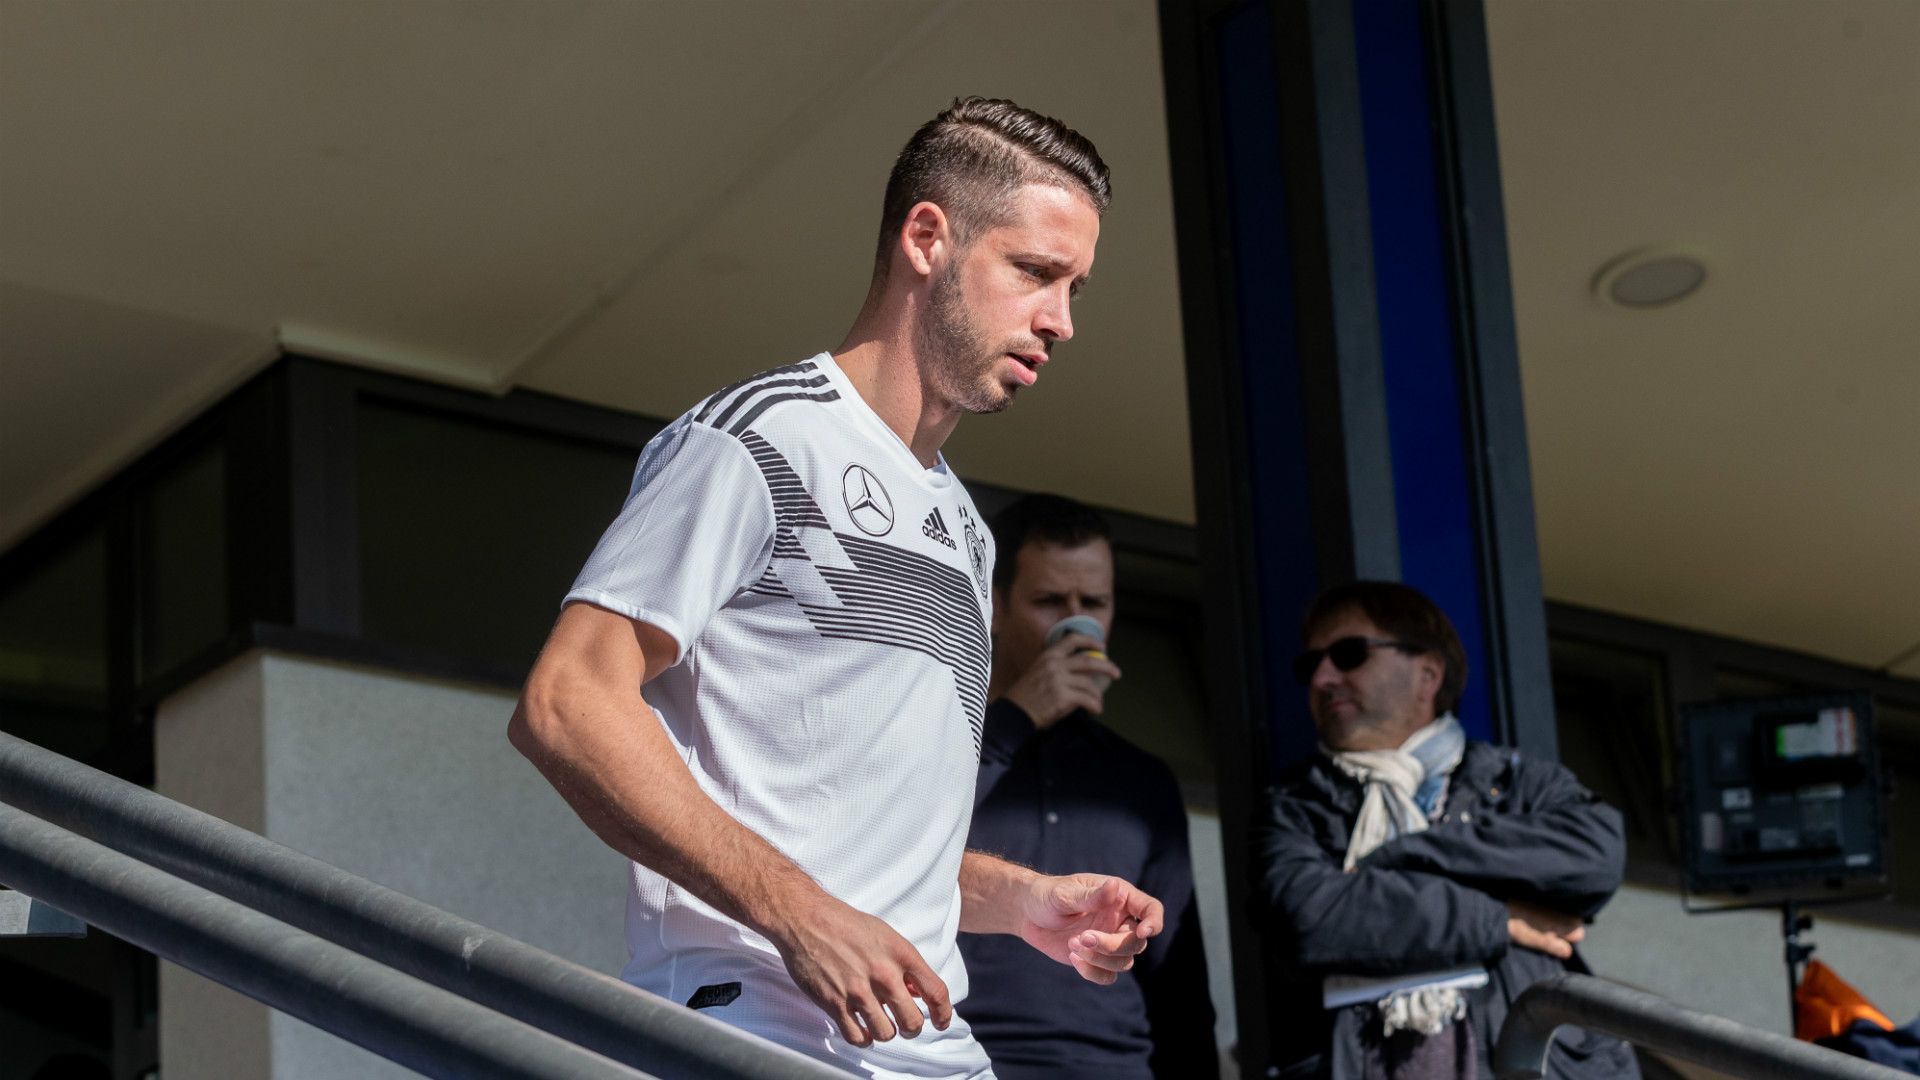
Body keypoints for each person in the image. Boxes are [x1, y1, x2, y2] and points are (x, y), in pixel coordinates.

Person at [508, 97, 1164, 1080]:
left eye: (1075, 287)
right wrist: (796, 912)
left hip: (933, 1045)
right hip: (753, 1029)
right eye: (1034, 272)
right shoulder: (757, 438)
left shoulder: (968, 530)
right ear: (927, 239)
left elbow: (871, 845)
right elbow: (566, 703)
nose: (1060, 321)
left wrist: (1023, 902)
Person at [1253, 581, 1639, 1079]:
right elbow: (1310, 917)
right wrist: (1496, 919)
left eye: (1349, 654)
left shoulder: (1515, 782)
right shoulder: (1294, 804)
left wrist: (1402, 858)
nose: (1324, 677)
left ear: (1428, 674)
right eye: (1311, 664)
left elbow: (1595, 857)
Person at [958, 494, 1219, 1079]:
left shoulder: (1142, 780)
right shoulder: (945, 743)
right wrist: (1017, 716)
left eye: (1094, 604)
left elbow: (1177, 983)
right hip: (965, 1060)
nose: (1076, 624)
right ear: (995, 606)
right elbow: (910, 835)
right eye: (1050, 602)